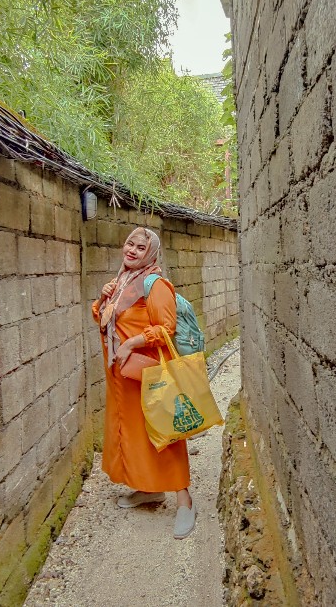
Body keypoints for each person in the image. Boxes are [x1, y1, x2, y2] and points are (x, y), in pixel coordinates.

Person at [93, 226, 196, 539]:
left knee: (164, 432)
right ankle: (148, 488)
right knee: (135, 435)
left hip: (146, 372)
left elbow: (166, 327)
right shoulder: (122, 282)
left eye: (141, 247)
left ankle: (185, 501)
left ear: (151, 253)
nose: (133, 250)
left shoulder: (155, 284)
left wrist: (132, 343)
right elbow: (102, 318)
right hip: (122, 377)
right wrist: (103, 297)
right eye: (130, 244)